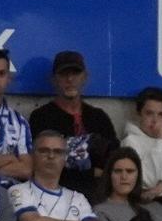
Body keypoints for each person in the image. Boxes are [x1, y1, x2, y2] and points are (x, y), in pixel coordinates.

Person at [12, 131, 103, 221]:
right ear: (33, 155)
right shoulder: (19, 191)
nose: (51, 156)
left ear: (65, 158)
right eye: (44, 151)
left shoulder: (77, 197)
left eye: (58, 152)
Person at [29, 52, 117, 200]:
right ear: (54, 79)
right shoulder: (41, 117)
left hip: (99, 195)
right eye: (63, 74)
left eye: (75, 73)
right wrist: (91, 173)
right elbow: (43, 166)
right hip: (55, 194)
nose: (70, 79)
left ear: (85, 77)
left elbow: (114, 161)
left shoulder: (99, 117)